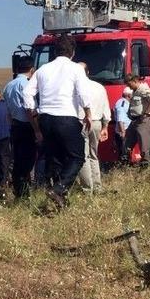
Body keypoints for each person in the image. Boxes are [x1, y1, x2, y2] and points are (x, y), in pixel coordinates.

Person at [23, 35, 92, 209]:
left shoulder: (43, 69)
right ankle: (59, 189)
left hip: (45, 118)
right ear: (73, 52)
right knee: (77, 157)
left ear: (55, 51)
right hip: (66, 117)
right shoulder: (76, 69)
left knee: (56, 159)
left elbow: (27, 93)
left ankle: (59, 200)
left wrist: (34, 110)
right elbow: (83, 93)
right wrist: (88, 113)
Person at [4, 56, 38, 199]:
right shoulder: (26, 85)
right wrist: (37, 129)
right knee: (27, 161)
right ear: (32, 69)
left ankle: (19, 192)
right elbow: (29, 108)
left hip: (15, 126)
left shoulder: (8, 86)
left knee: (17, 160)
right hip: (26, 125)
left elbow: (8, 111)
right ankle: (24, 193)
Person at [77, 63, 111, 194]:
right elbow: (106, 108)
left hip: (82, 121)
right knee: (94, 155)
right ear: (88, 71)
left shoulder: (76, 87)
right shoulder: (99, 87)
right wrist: (105, 126)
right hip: (97, 122)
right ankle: (97, 186)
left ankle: (87, 188)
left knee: (83, 156)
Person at [124, 73, 150, 169]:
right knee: (127, 141)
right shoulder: (135, 91)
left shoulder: (143, 89)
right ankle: (126, 161)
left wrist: (145, 114)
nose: (128, 87)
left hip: (143, 120)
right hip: (135, 120)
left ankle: (145, 165)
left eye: (129, 84)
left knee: (144, 143)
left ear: (135, 81)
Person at [114, 88, 133, 164]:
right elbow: (120, 119)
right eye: (132, 94)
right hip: (124, 130)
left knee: (125, 150)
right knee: (124, 152)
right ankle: (124, 166)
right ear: (128, 95)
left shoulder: (124, 102)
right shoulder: (122, 103)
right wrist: (123, 131)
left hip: (125, 130)